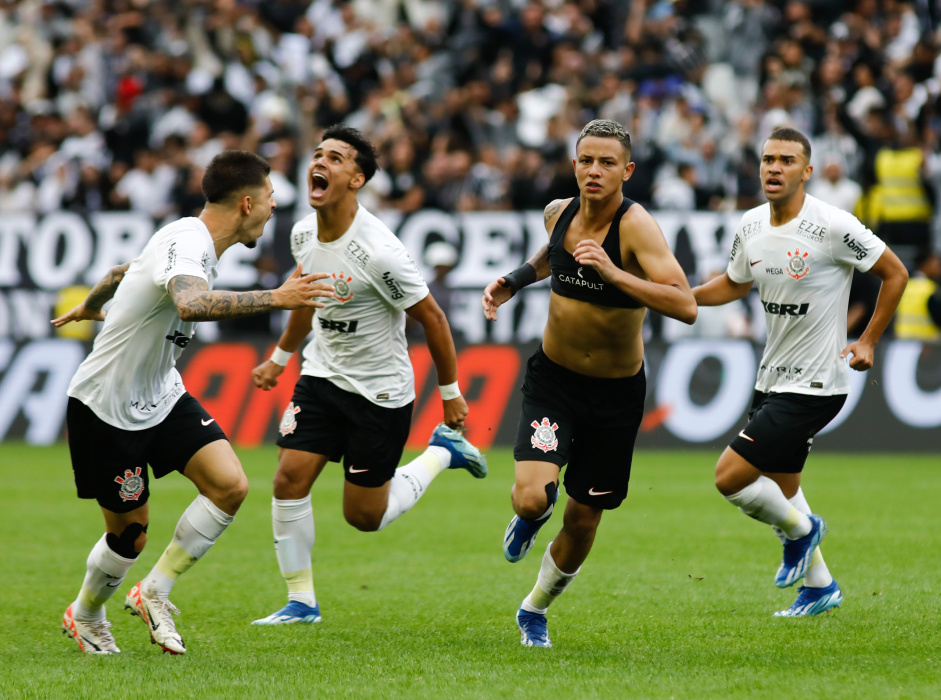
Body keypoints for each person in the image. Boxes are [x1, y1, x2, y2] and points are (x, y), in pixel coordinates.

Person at [53, 150, 336, 655]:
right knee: (130, 536)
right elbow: (190, 303)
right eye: (270, 199)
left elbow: (124, 271)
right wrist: (277, 297)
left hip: (162, 393)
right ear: (247, 203)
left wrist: (91, 305)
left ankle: (154, 591)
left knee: (229, 485)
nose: (273, 209)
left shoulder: (189, 239)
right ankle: (87, 614)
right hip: (106, 407)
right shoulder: (188, 241)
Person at [250, 125, 487, 626]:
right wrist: (279, 356)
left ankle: (442, 452)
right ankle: (301, 602)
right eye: (318, 154)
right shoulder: (300, 232)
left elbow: (434, 320)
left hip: (379, 392)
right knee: (288, 479)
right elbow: (303, 296)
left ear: (356, 179)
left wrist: (450, 394)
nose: (321, 162)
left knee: (364, 517)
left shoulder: (379, 252)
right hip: (321, 376)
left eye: (335, 158)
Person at [480, 119, 697, 648]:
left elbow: (685, 304)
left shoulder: (637, 227)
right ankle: (531, 517)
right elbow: (550, 255)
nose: (594, 171)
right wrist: (514, 280)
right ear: (573, 163)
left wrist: (615, 273)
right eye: (585, 160)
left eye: (606, 162)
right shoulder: (560, 212)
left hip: (616, 395)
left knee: (582, 521)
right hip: (555, 381)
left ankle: (534, 609)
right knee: (531, 499)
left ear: (628, 170)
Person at [691, 127, 908, 617]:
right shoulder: (750, 225)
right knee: (784, 485)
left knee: (731, 477)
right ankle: (821, 587)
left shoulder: (833, 224)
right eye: (768, 159)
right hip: (771, 378)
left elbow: (895, 273)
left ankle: (804, 532)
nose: (774, 168)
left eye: (787, 160)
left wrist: (868, 339)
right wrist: (683, 297)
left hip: (816, 384)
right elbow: (732, 283)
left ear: (807, 172)